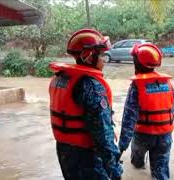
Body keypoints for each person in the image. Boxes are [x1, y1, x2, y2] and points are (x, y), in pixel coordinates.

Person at [49, 29, 122, 180]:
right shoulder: (92, 86)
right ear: (89, 57)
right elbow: (102, 135)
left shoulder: (60, 78)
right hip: (86, 155)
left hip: (64, 151)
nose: (104, 60)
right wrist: (115, 170)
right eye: (101, 55)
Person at [118, 43, 174, 180]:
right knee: (161, 173)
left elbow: (129, 118)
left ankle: (138, 165)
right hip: (165, 136)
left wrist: (121, 147)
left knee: (136, 163)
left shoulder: (137, 86)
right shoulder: (166, 83)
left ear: (137, 63)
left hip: (143, 135)